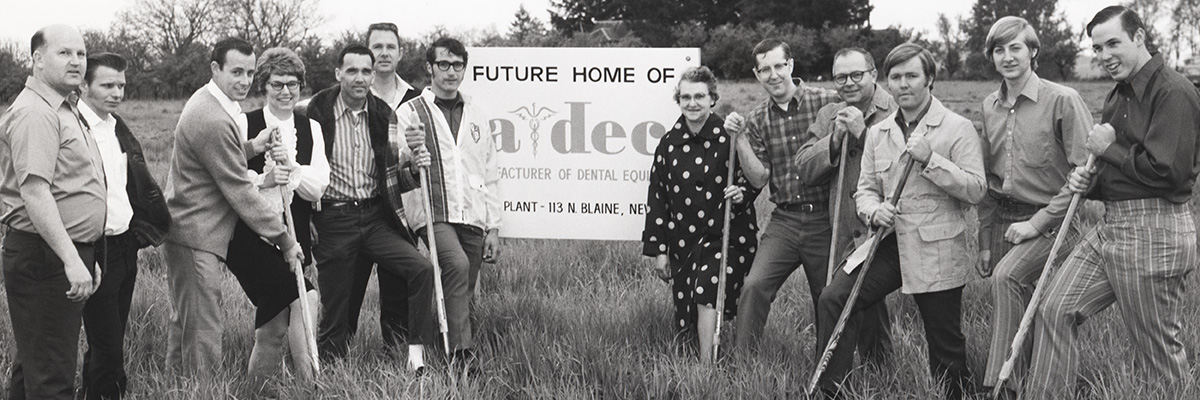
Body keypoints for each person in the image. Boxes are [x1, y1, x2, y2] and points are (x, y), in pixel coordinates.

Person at [1028, 6, 1200, 397]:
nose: (1104, 55)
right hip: (1112, 226)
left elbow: (1167, 173)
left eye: (1113, 43)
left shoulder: (1173, 91)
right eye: (1097, 47)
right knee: (1054, 309)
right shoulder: (1117, 95)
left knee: (1157, 357)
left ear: (1139, 37)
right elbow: (1116, 174)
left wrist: (1109, 149)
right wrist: (1089, 182)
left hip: (1155, 231)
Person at [815, 43, 985, 399]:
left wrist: (930, 160)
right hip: (888, 241)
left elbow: (975, 190)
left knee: (944, 340)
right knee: (835, 297)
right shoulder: (879, 133)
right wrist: (872, 209)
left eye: (912, 76)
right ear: (887, 83)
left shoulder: (957, 127)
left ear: (930, 80)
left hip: (935, 246)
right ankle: (830, 391)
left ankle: (956, 393)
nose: (903, 84)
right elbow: (865, 190)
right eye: (896, 77)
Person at [724, 39, 889, 356]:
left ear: (791, 65)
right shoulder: (758, 118)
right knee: (754, 285)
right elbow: (759, 177)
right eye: (764, 69)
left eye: (778, 66)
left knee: (827, 295)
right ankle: (743, 363)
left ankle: (829, 365)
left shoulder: (828, 102)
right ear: (756, 74)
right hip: (785, 219)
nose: (773, 75)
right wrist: (740, 138)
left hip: (828, 217)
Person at [162, 37, 304, 376]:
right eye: (236, 72)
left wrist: (252, 145)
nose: (244, 80)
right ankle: (202, 391)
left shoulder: (209, 100)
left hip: (189, 230)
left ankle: (175, 388)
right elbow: (240, 190)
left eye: (250, 73)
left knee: (187, 322)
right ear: (216, 68)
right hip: (197, 234)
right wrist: (285, 240)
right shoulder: (212, 117)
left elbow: (220, 155)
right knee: (203, 328)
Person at [973, 16, 1093, 397]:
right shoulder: (989, 106)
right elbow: (991, 181)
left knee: (1007, 278)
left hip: (1057, 219)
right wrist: (985, 240)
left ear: (1033, 52)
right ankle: (1024, 382)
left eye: (1016, 48)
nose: (1007, 57)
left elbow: (1085, 175)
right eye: (998, 49)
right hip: (1005, 220)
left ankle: (998, 387)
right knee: (1018, 305)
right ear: (991, 57)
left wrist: (1038, 223)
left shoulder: (1063, 100)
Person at [306, 44, 436, 372]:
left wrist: (414, 169)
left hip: (376, 218)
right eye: (352, 71)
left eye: (366, 71)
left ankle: (415, 355)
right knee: (336, 309)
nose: (360, 78)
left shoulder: (383, 115)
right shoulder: (315, 112)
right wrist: (304, 216)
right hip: (334, 219)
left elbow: (394, 179)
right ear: (338, 74)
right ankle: (330, 373)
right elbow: (301, 170)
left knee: (421, 270)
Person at [0, 24, 105, 400]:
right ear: (37, 60)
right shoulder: (36, 113)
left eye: (81, 53)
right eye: (64, 53)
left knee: (35, 369)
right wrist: (70, 257)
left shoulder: (62, 106)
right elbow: (35, 191)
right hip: (44, 256)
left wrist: (80, 251)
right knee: (52, 380)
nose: (76, 61)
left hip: (57, 252)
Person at [223, 47, 327, 384]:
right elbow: (229, 180)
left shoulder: (310, 127)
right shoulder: (245, 122)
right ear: (264, 86)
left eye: (293, 84)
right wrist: (266, 179)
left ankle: (256, 390)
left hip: (294, 237)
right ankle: (311, 385)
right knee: (306, 297)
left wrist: (292, 168)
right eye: (277, 84)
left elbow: (317, 187)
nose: (286, 91)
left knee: (273, 326)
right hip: (251, 239)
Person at [396, 37, 502, 363]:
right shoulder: (409, 113)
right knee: (455, 266)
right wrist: (412, 163)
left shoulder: (477, 115)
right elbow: (394, 168)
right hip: (432, 212)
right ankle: (461, 356)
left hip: (471, 213)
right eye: (444, 64)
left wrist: (493, 228)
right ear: (429, 68)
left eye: (458, 65)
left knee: (464, 285)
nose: (451, 72)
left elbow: (490, 171)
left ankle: (432, 346)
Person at [641, 66, 758, 361]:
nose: (692, 103)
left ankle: (708, 367)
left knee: (708, 290)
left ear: (713, 98)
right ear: (678, 100)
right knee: (687, 311)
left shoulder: (729, 136)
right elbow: (658, 199)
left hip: (727, 237)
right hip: (684, 243)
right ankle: (692, 357)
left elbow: (754, 179)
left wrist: (742, 194)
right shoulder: (668, 144)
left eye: (699, 96)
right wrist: (659, 251)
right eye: (685, 97)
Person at [793, 47, 898, 366]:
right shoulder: (829, 114)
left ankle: (836, 378)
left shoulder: (894, 109)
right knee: (854, 298)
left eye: (856, 75)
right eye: (840, 77)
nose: (848, 83)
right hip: (843, 226)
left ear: (873, 75)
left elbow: (903, 168)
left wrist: (863, 135)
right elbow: (805, 169)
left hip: (885, 229)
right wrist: (835, 139)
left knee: (847, 296)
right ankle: (876, 368)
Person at [77, 52, 171, 400]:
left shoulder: (117, 126)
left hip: (124, 246)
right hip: (93, 248)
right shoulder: (74, 127)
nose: (117, 92)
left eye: (121, 85)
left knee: (108, 343)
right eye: (107, 85)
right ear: (84, 86)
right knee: (109, 350)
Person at [340, 21, 425, 351]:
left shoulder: (417, 101)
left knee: (396, 292)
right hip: (355, 209)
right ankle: (336, 355)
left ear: (401, 53)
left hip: (398, 210)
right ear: (367, 52)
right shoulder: (353, 93)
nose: (384, 53)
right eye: (377, 47)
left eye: (391, 46)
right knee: (348, 290)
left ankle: (397, 355)